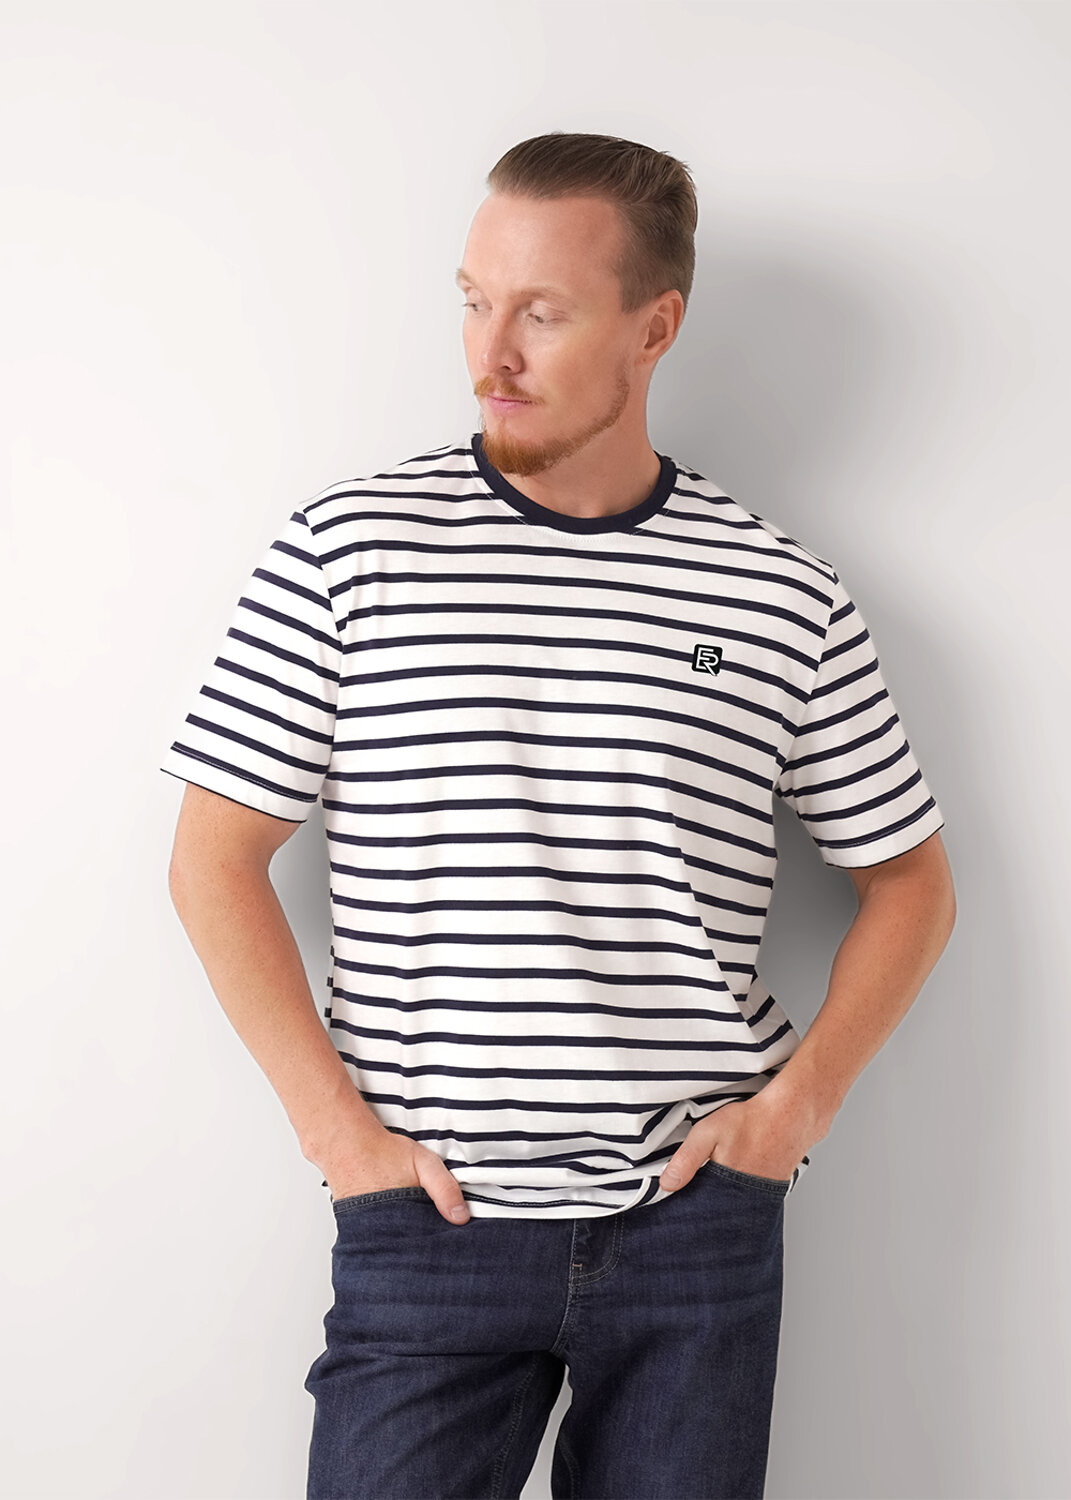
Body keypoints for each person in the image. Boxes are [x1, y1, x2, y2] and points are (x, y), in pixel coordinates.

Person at [162, 131, 956, 1500]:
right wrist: (341, 1141)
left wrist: (792, 1113)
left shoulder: (781, 593)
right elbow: (212, 862)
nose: (492, 353)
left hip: (694, 1229)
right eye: (475, 301)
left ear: (656, 327)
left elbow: (913, 884)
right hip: (430, 1220)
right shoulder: (351, 551)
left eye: (542, 311)